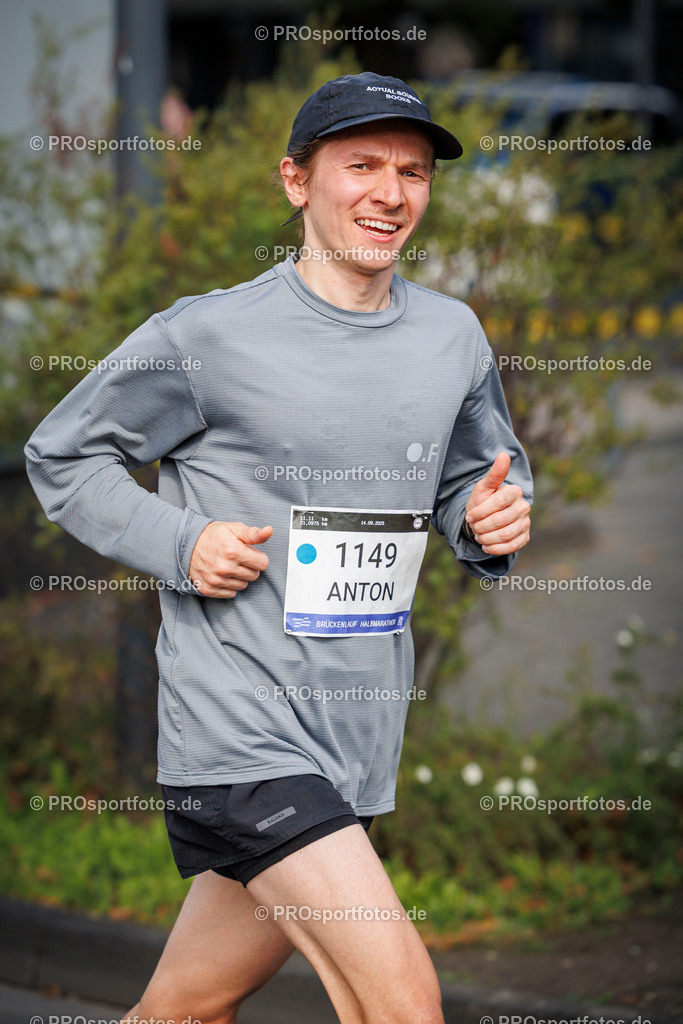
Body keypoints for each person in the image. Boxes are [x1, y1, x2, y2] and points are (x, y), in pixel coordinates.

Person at [25, 72, 532, 1024]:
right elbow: (63, 454)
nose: (392, 191)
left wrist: (487, 522)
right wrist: (182, 542)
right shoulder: (209, 335)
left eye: (414, 172)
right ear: (296, 181)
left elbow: (483, 477)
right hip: (240, 736)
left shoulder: (450, 336)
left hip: (353, 741)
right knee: (403, 1005)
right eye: (364, 165)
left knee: (183, 1010)